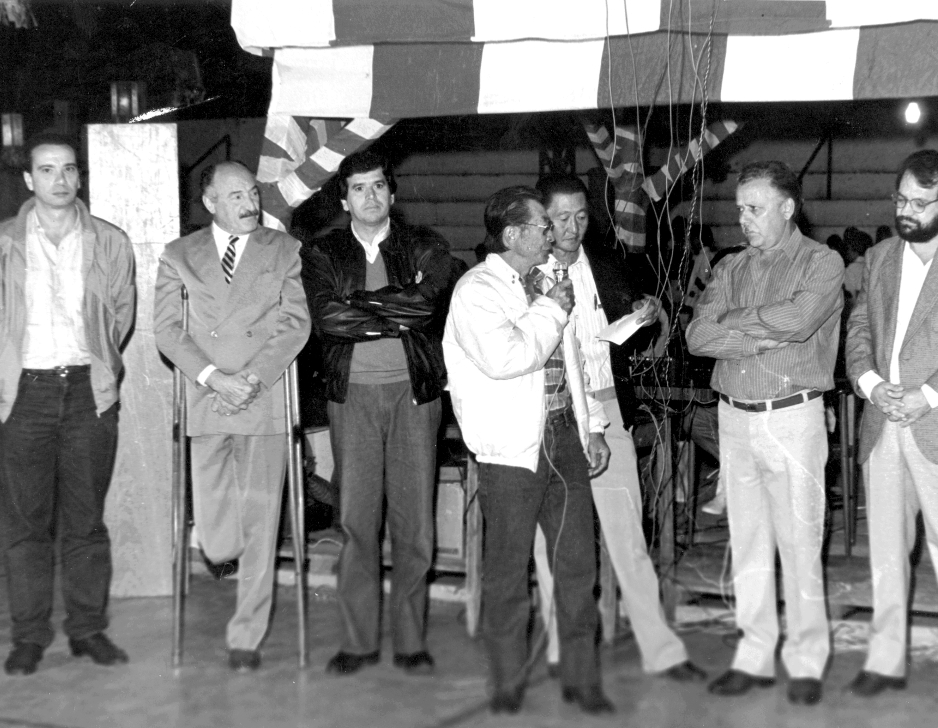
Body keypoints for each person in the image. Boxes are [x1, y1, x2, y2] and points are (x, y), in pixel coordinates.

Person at [0, 131, 135, 675]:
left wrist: (99, 365)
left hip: (88, 392)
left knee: (86, 523)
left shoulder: (109, 241)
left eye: (67, 169)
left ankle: (88, 630)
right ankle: (28, 636)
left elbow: (120, 314)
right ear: (27, 178)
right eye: (46, 170)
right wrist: (5, 371)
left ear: (78, 175)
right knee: (27, 525)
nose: (59, 180)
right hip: (26, 396)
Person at [443, 185, 614, 716]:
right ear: (513, 235)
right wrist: (551, 310)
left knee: (576, 568)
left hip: (563, 436)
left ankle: (582, 681)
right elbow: (507, 358)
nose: (552, 232)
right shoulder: (477, 290)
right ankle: (507, 684)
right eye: (542, 224)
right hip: (511, 451)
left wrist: (590, 427)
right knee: (508, 574)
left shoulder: (544, 285)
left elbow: (575, 369)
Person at [530, 173, 706, 683]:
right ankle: (562, 649)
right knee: (555, 540)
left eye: (581, 216)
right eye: (560, 217)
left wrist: (650, 312)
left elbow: (634, 324)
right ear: (541, 218)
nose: (571, 227)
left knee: (628, 535)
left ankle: (661, 649)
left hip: (609, 410)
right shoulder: (524, 275)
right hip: (554, 416)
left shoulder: (606, 264)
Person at [686, 161, 844, 706]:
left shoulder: (822, 263)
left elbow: (801, 321)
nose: (743, 219)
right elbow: (697, 334)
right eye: (740, 209)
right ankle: (753, 654)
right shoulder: (730, 266)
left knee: (800, 541)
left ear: (787, 207)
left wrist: (735, 324)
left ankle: (806, 657)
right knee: (747, 542)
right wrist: (757, 335)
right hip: (733, 416)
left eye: (754, 209)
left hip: (792, 417)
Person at [300, 149, 458, 677]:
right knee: (356, 520)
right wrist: (396, 311)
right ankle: (358, 640)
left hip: (415, 395)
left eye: (378, 186)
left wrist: (365, 307)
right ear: (344, 198)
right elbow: (328, 319)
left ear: (392, 192)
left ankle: (411, 639)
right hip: (353, 397)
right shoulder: (321, 251)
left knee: (414, 523)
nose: (370, 196)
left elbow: (427, 307)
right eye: (359, 188)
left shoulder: (425, 244)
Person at [844, 150, 938, 712]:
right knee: (886, 551)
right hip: (884, 423)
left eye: (919, 203)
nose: (905, 211)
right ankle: (885, 661)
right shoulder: (881, 256)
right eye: (900, 199)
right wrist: (869, 382)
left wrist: (925, 396)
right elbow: (858, 327)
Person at [154, 161, 310, 672]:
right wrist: (213, 378)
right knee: (221, 537)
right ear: (210, 203)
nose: (250, 204)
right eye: (236, 196)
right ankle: (221, 548)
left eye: (253, 193)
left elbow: (294, 325)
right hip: (207, 399)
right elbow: (168, 331)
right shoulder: (179, 255)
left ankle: (246, 635)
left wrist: (253, 378)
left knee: (262, 526)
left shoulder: (283, 250)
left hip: (261, 398)